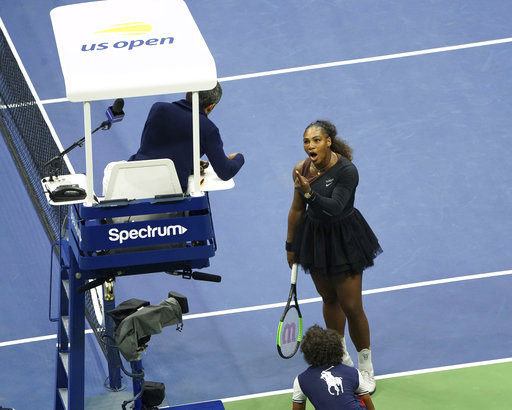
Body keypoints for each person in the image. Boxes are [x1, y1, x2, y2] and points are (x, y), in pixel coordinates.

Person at [286, 120, 382, 393]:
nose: (310, 146)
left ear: (329, 141)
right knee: (328, 298)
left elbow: (337, 207)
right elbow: (296, 209)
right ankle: (339, 358)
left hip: (345, 238)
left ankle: (366, 367)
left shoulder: (347, 171)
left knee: (352, 307)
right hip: (315, 239)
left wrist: (309, 193)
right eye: (306, 141)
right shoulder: (301, 168)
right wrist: (290, 245)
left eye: (316, 140)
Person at [129, 82, 244, 192]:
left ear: (187, 93)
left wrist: (189, 164)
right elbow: (225, 172)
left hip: (132, 178)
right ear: (211, 107)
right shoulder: (208, 129)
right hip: (168, 190)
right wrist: (239, 158)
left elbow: (151, 148)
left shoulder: (158, 108)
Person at [292, 325, 375, 410]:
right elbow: (366, 399)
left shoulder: (300, 380)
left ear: (307, 352)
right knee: (356, 396)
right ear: (338, 349)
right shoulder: (353, 372)